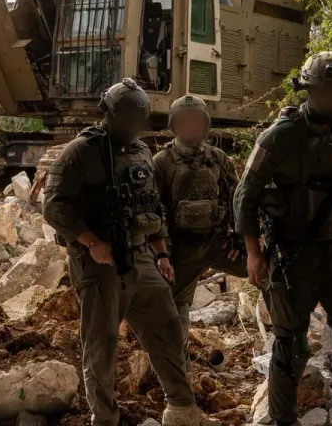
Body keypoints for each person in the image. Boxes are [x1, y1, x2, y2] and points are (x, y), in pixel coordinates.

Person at [42, 78, 217, 426]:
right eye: (126, 121)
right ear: (108, 114)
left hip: (141, 255)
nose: (132, 128)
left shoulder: (140, 151)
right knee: (102, 343)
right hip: (100, 262)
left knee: (168, 326)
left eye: (137, 122)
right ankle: (104, 418)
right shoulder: (81, 151)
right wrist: (91, 241)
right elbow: (54, 206)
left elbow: (151, 206)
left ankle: (181, 409)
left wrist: (162, 253)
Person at [234, 52, 332, 426]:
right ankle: (282, 420)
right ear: (308, 90)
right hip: (292, 255)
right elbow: (245, 195)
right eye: (324, 91)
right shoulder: (281, 135)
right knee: (291, 347)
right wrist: (253, 254)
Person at [151, 95, 246, 328]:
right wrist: (163, 252)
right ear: (174, 125)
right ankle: (177, 363)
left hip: (218, 243)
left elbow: (239, 197)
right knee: (174, 317)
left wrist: (241, 237)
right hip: (181, 250)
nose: (191, 125)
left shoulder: (218, 158)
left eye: (196, 120)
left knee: (265, 272)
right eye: (185, 120)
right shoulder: (162, 162)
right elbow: (152, 209)